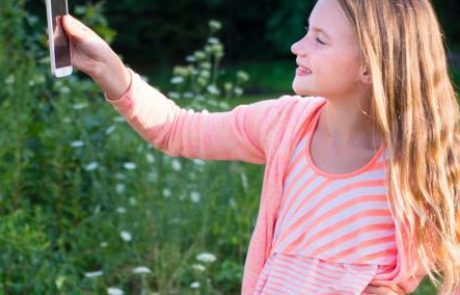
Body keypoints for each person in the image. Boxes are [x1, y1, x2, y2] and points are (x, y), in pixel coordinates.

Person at [61, 0, 460, 294]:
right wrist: (106, 67)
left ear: (370, 65)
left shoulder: (421, 156)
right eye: (307, 31)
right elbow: (177, 129)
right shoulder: (284, 124)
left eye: (319, 39)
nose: (297, 47)